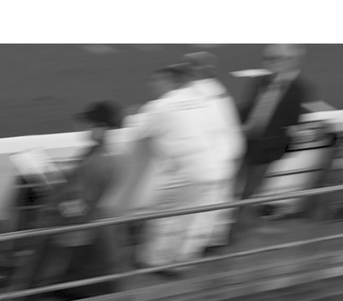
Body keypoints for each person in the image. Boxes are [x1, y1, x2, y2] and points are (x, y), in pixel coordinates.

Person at [21, 101, 123, 301]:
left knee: (37, 268)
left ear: (101, 128)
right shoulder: (102, 155)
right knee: (58, 269)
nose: (84, 128)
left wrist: (50, 192)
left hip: (65, 226)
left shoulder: (96, 162)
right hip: (77, 225)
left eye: (89, 124)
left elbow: (76, 206)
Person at [129, 63, 224, 275]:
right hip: (211, 169)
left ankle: (154, 261)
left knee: (164, 215)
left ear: (169, 82)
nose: (151, 84)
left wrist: (132, 116)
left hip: (187, 171)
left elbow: (135, 130)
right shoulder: (196, 101)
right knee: (189, 218)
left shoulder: (162, 106)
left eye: (156, 80)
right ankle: (181, 262)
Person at [234, 45, 317, 239]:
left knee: (250, 189)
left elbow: (294, 121)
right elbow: (247, 107)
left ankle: (237, 228)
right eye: (270, 59)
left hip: (267, 148)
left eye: (278, 59)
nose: (272, 62)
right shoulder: (259, 81)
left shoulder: (300, 89)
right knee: (233, 186)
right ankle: (230, 225)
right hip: (245, 142)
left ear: (294, 61)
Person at [184, 52, 246, 250]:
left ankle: (194, 248)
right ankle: (215, 240)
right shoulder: (220, 92)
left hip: (207, 161)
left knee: (200, 210)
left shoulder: (196, 93)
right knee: (219, 207)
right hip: (226, 158)